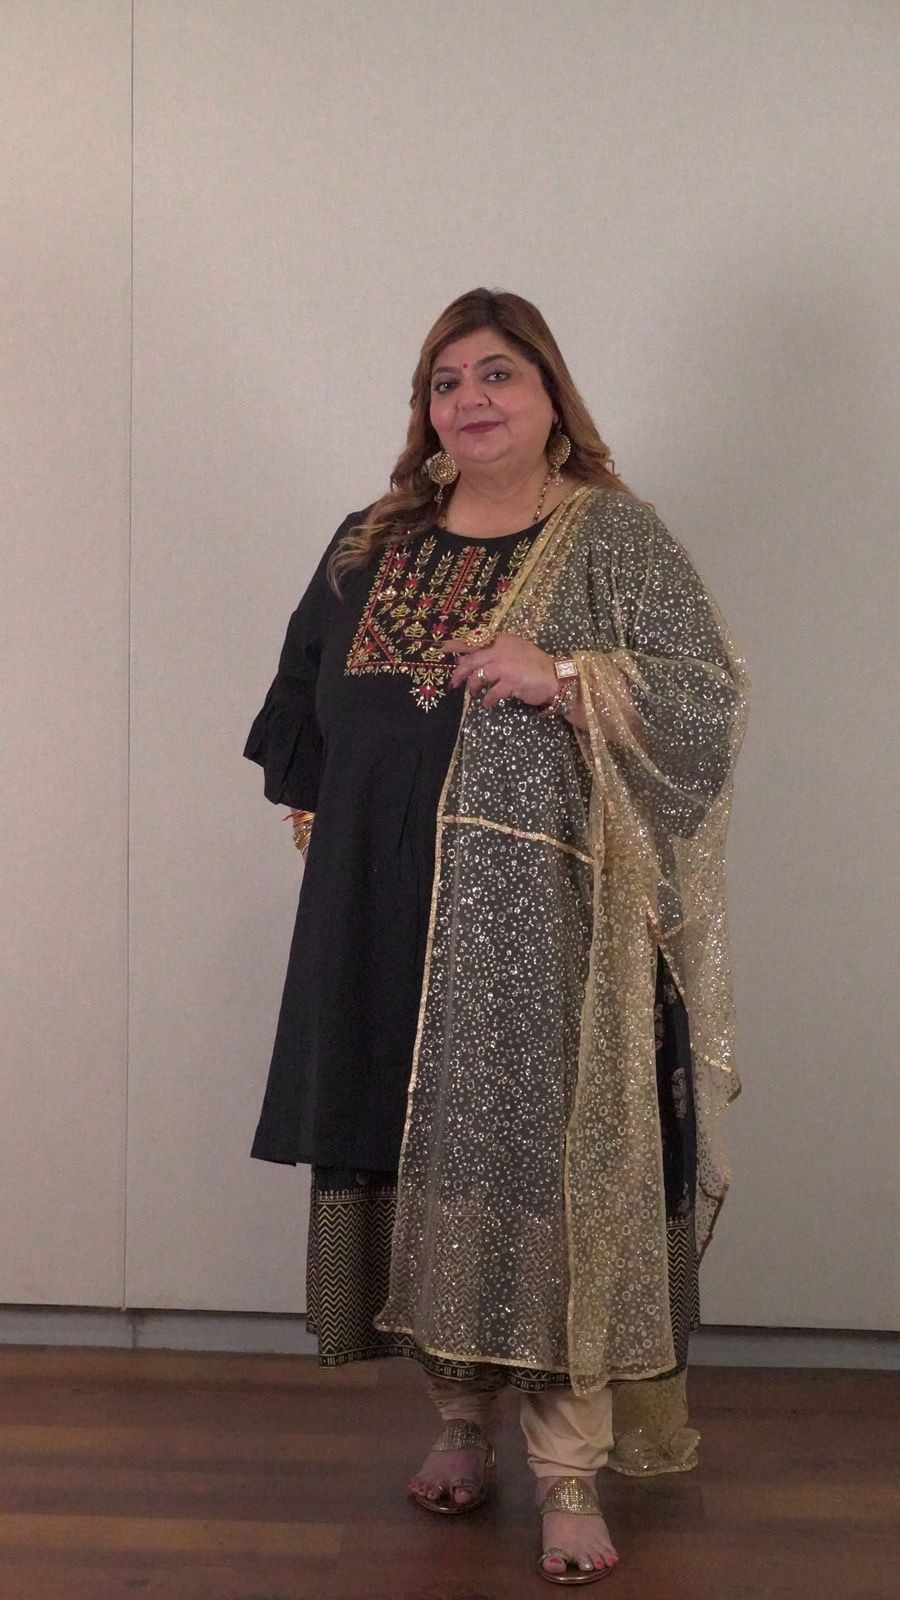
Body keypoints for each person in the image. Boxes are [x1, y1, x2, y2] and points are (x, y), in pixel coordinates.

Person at [244, 288, 749, 1585]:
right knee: (426, 1167)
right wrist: (336, 827)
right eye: (445, 380)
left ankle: (570, 1468)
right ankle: (461, 1421)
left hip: (549, 936)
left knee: (541, 1177)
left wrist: (565, 674)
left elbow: (705, 705)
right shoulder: (369, 543)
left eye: (498, 374)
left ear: (551, 394)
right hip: (385, 914)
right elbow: (302, 697)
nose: (469, 399)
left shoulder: (614, 539)